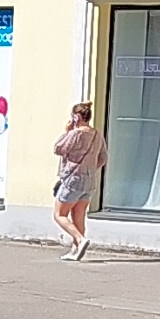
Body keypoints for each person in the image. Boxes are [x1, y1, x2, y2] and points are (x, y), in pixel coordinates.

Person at [52, 102, 106, 260]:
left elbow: (58, 149)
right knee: (79, 214)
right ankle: (76, 250)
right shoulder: (97, 135)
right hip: (90, 179)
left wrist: (67, 131)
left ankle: (81, 240)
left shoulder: (75, 134)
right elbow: (103, 158)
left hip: (73, 179)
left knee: (59, 214)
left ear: (77, 117)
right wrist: (90, 168)